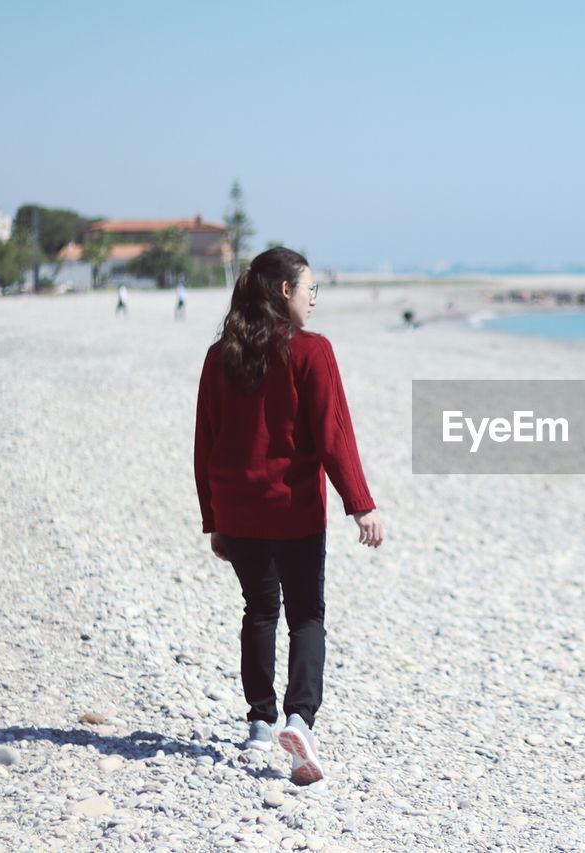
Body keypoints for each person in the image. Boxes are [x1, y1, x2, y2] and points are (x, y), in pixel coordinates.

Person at [194, 246, 384, 785]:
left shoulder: (220, 354)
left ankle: (259, 725)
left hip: (238, 510)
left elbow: (204, 440)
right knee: (306, 616)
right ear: (285, 292)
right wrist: (361, 504)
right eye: (310, 290)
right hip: (293, 511)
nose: (314, 301)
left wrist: (214, 518)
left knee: (258, 611)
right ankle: (299, 719)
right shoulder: (311, 352)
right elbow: (333, 436)